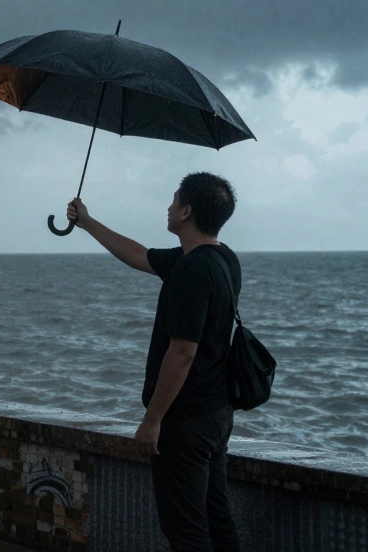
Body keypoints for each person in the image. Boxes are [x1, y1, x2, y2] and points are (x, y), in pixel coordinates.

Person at [67, 172, 241, 552]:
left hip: (185, 422)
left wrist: (153, 420)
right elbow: (139, 255)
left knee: (186, 529)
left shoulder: (191, 271)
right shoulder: (221, 260)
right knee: (216, 516)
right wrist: (87, 221)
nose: (168, 206)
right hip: (216, 413)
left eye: (173, 199)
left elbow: (183, 352)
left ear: (186, 211)